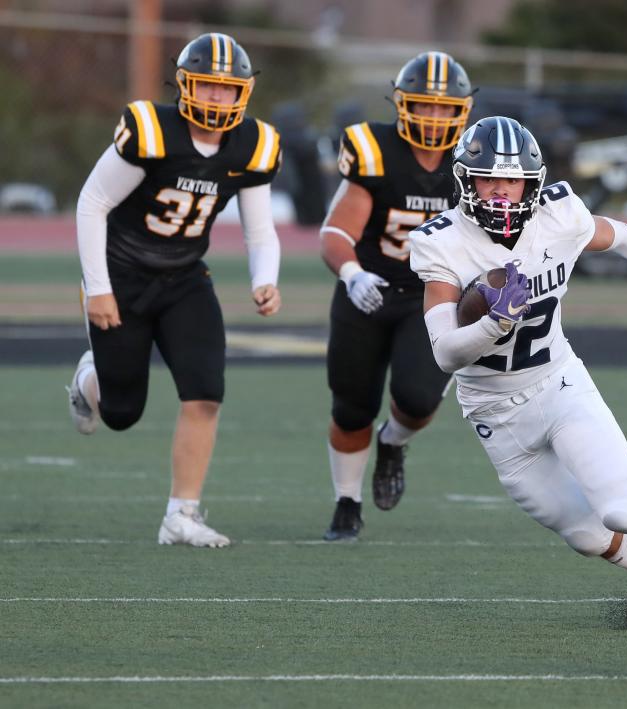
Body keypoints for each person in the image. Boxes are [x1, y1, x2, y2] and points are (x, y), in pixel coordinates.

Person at [409, 116, 627, 613]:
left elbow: (620, 235)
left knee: (626, 515)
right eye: (488, 179)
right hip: (495, 413)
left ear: (530, 183)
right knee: (585, 535)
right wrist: (494, 323)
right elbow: (444, 352)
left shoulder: (558, 216)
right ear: (465, 181)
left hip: (558, 385)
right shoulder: (442, 243)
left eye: (510, 180)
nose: (499, 193)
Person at [66, 33, 282, 548]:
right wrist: (98, 289)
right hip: (121, 274)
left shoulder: (254, 143)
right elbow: (92, 203)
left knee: (206, 390)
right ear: (185, 86)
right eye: (205, 87)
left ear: (242, 93)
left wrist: (264, 279)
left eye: (225, 89)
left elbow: (259, 230)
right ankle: (87, 379)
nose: (215, 98)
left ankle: (180, 515)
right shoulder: (151, 130)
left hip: (185, 277)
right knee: (121, 413)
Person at [318, 51, 474, 541]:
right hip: (369, 289)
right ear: (403, 105)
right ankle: (347, 501)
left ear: (461, 111)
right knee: (351, 407)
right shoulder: (375, 149)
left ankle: (393, 442)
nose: (433, 116)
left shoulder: (474, 160)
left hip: (433, 295)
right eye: (423, 106)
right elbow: (335, 233)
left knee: (419, 398)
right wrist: (352, 274)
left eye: (443, 107)